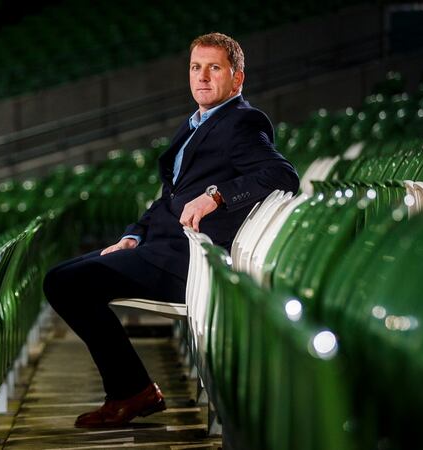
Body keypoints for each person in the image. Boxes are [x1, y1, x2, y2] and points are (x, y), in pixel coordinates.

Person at [43, 32, 299, 428]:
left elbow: (283, 174)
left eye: (215, 68)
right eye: (196, 68)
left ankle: (131, 391)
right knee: (61, 277)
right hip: (158, 247)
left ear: (237, 79)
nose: (202, 77)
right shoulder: (197, 123)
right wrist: (134, 234)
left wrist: (216, 196)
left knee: (65, 283)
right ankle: (132, 389)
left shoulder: (242, 122)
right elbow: (169, 199)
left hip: (188, 260)